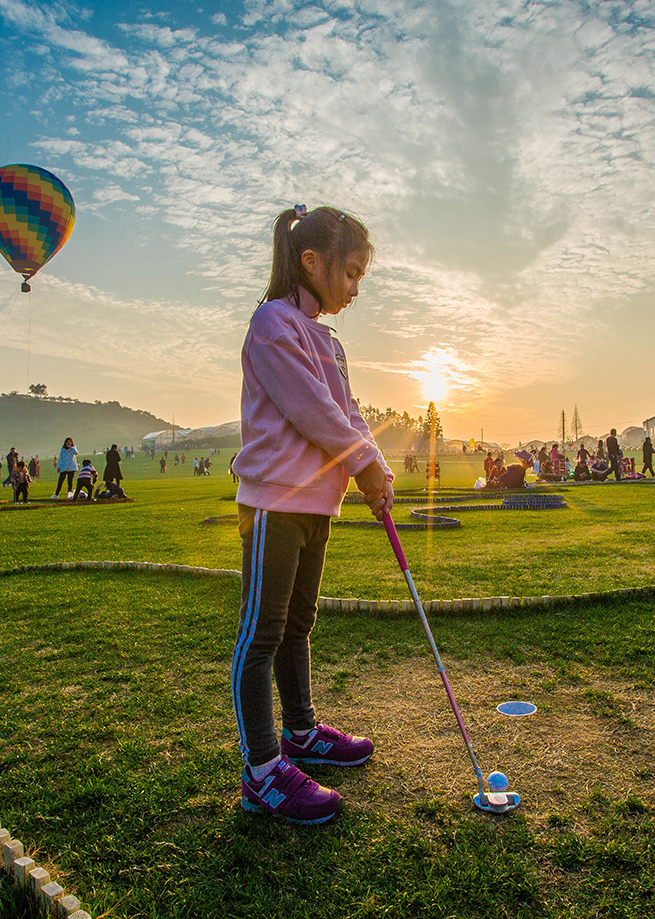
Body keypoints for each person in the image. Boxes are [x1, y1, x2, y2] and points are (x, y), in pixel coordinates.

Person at [231, 204, 393, 826]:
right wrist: (363, 463)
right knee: (262, 633)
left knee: (299, 625)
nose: (354, 289)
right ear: (311, 261)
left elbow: (349, 414)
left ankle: (300, 733)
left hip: (317, 502)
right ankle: (263, 770)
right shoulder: (272, 324)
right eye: (350, 274)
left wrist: (374, 465)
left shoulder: (328, 338)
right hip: (274, 500)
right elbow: (311, 410)